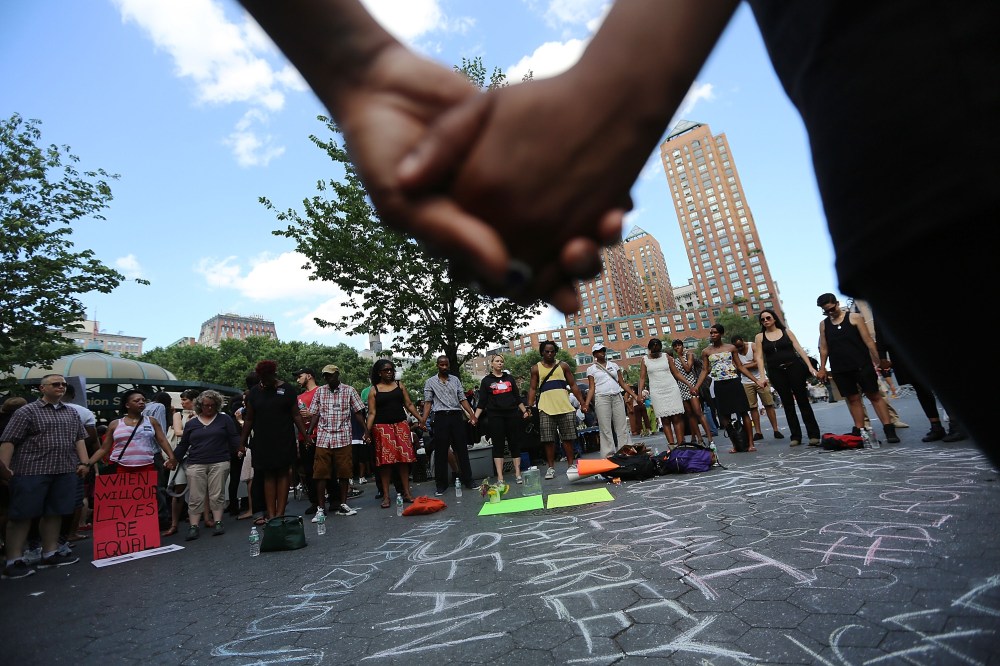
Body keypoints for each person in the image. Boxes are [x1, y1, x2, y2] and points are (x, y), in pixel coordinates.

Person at [0, 375, 89, 578]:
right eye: (55, 384)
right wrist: (5, 469)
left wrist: (84, 463)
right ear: (42, 388)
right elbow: (8, 440)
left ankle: (50, 552)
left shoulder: (71, 412)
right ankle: (14, 559)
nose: (61, 387)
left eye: (63, 385)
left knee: (55, 513)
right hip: (30, 471)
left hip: (64, 470)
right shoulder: (26, 411)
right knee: (21, 515)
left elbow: (80, 439)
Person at [816, 294, 899, 444]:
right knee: (853, 399)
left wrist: (879, 360)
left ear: (837, 303)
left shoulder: (854, 318)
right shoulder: (824, 324)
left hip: (862, 364)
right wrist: (822, 368)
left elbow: (868, 340)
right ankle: (860, 430)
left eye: (831, 309)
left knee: (874, 396)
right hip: (840, 368)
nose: (830, 313)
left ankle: (889, 428)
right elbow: (824, 348)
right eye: (825, 311)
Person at [240, 361, 312, 522]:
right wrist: (242, 442)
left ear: (274, 374)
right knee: (268, 475)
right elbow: (249, 419)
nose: (264, 381)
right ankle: (271, 515)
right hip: (262, 440)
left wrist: (305, 436)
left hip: (283, 438)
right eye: (262, 378)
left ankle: (280, 514)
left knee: (283, 474)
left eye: (267, 377)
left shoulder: (287, 390)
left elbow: (296, 415)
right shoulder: (254, 393)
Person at [753, 309, 822, 447]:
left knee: (803, 401)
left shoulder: (786, 332)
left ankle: (814, 435)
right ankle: (795, 436)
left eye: (768, 318)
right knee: (788, 404)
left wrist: (810, 366)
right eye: (763, 319)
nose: (766, 321)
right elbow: (759, 357)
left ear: (774, 319)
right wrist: (762, 377)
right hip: (776, 372)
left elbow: (799, 349)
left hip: (794, 368)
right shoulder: (760, 337)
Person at [308, 364, 367, 517]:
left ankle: (343, 504)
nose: (328, 378)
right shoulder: (320, 391)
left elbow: (358, 412)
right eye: (326, 376)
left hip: (343, 436)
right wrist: (308, 433)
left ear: (337, 375)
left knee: (344, 472)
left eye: (330, 375)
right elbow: (314, 414)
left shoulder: (349, 390)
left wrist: (366, 430)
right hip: (323, 437)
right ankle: (321, 508)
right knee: (320, 473)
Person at [694, 324, 765, 453]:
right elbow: (704, 370)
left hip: (734, 382)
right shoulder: (706, 351)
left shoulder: (731, 348)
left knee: (743, 412)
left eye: (715, 333)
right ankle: (735, 444)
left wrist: (757, 380)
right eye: (711, 333)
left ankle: (750, 443)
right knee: (724, 416)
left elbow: (740, 366)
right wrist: (696, 387)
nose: (712, 335)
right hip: (719, 385)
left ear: (721, 334)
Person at [527, 341, 587, 480]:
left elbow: (573, 385)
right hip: (545, 408)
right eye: (547, 351)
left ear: (555, 352)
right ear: (542, 352)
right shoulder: (536, 368)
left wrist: (582, 403)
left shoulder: (563, 366)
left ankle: (571, 465)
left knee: (568, 438)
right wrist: (529, 408)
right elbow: (532, 388)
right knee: (548, 440)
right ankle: (551, 467)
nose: (549, 354)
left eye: (552, 351)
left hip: (565, 406)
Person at [369, 359, 423, 507]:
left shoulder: (399, 386)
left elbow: (409, 404)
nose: (389, 372)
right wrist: (367, 432)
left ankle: (407, 492)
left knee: (404, 461)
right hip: (382, 427)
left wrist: (421, 419)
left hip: (401, 425)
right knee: (386, 463)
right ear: (379, 373)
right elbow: (372, 413)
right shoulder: (374, 390)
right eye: (386, 370)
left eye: (391, 369)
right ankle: (386, 496)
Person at [86, 390, 177, 476]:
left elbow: (162, 440)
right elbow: (104, 449)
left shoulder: (152, 421)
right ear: (127, 405)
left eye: (143, 400)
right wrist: (87, 464)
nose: (141, 402)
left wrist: (171, 457)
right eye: (137, 400)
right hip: (120, 467)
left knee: (145, 492)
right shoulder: (115, 424)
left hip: (147, 466)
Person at [422, 356, 477, 495]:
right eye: (442, 365)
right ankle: (441, 485)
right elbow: (428, 402)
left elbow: (462, 398)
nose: (444, 367)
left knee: (461, 449)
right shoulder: (430, 382)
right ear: (437, 365)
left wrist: (472, 414)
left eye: (446, 364)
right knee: (441, 452)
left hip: (456, 416)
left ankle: (468, 480)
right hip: (440, 417)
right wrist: (422, 420)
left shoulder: (455, 380)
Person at [474, 354, 530, 484]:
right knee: (498, 445)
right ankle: (500, 477)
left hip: (511, 414)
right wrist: (475, 417)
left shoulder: (509, 378)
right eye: (497, 361)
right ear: (491, 364)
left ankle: (517, 473)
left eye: (501, 361)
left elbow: (517, 397)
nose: (500, 363)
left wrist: (524, 411)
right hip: (495, 416)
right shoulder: (486, 381)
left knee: (514, 443)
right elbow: (482, 402)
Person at [584, 344, 639, 458]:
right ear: (594, 354)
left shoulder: (614, 365)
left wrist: (634, 395)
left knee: (622, 426)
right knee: (605, 428)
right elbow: (591, 388)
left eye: (603, 350)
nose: (602, 353)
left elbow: (622, 383)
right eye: (599, 351)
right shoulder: (591, 369)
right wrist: (586, 404)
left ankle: (626, 450)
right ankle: (608, 454)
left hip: (616, 396)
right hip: (602, 397)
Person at [638, 338, 692, 449]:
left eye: (658, 349)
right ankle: (672, 447)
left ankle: (681, 445)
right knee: (665, 419)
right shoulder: (644, 360)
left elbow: (676, 373)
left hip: (671, 388)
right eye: (653, 349)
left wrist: (689, 385)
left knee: (677, 418)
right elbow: (642, 378)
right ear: (649, 349)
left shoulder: (666, 357)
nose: (656, 351)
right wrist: (639, 394)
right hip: (657, 391)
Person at [732, 335, 784, 442]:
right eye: (737, 347)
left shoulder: (753, 346)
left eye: (741, 346)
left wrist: (742, 366)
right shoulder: (734, 352)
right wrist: (745, 365)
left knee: (768, 404)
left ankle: (776, 430)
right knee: (752, 407)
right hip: (746, 382)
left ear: (743, 341)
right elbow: (735, 367)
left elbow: (757, 363)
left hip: (761, 378)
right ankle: (758, 432)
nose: (740, 349)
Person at [670, 340, 714, 446]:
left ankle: (709, 437)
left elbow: (688, 368)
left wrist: (681, 357)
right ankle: (698, 438)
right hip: (682, 388)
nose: (677, 348)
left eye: (679, 345)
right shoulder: (674, 361)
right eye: (675, 346)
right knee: (690, 415)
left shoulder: (689, 355)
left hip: (692, 387)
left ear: (682, 346)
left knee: (698, 413)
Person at [292, 368, 321, 516]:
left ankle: (335, 499)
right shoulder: (298, 397)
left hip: (322, 436)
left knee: (326, 469)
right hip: (305, 439)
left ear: (309, 376)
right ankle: (315, 502)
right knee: (309, 472)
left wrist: (312, 414)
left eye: (299, 376)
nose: (298, 379)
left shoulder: (322, 391)